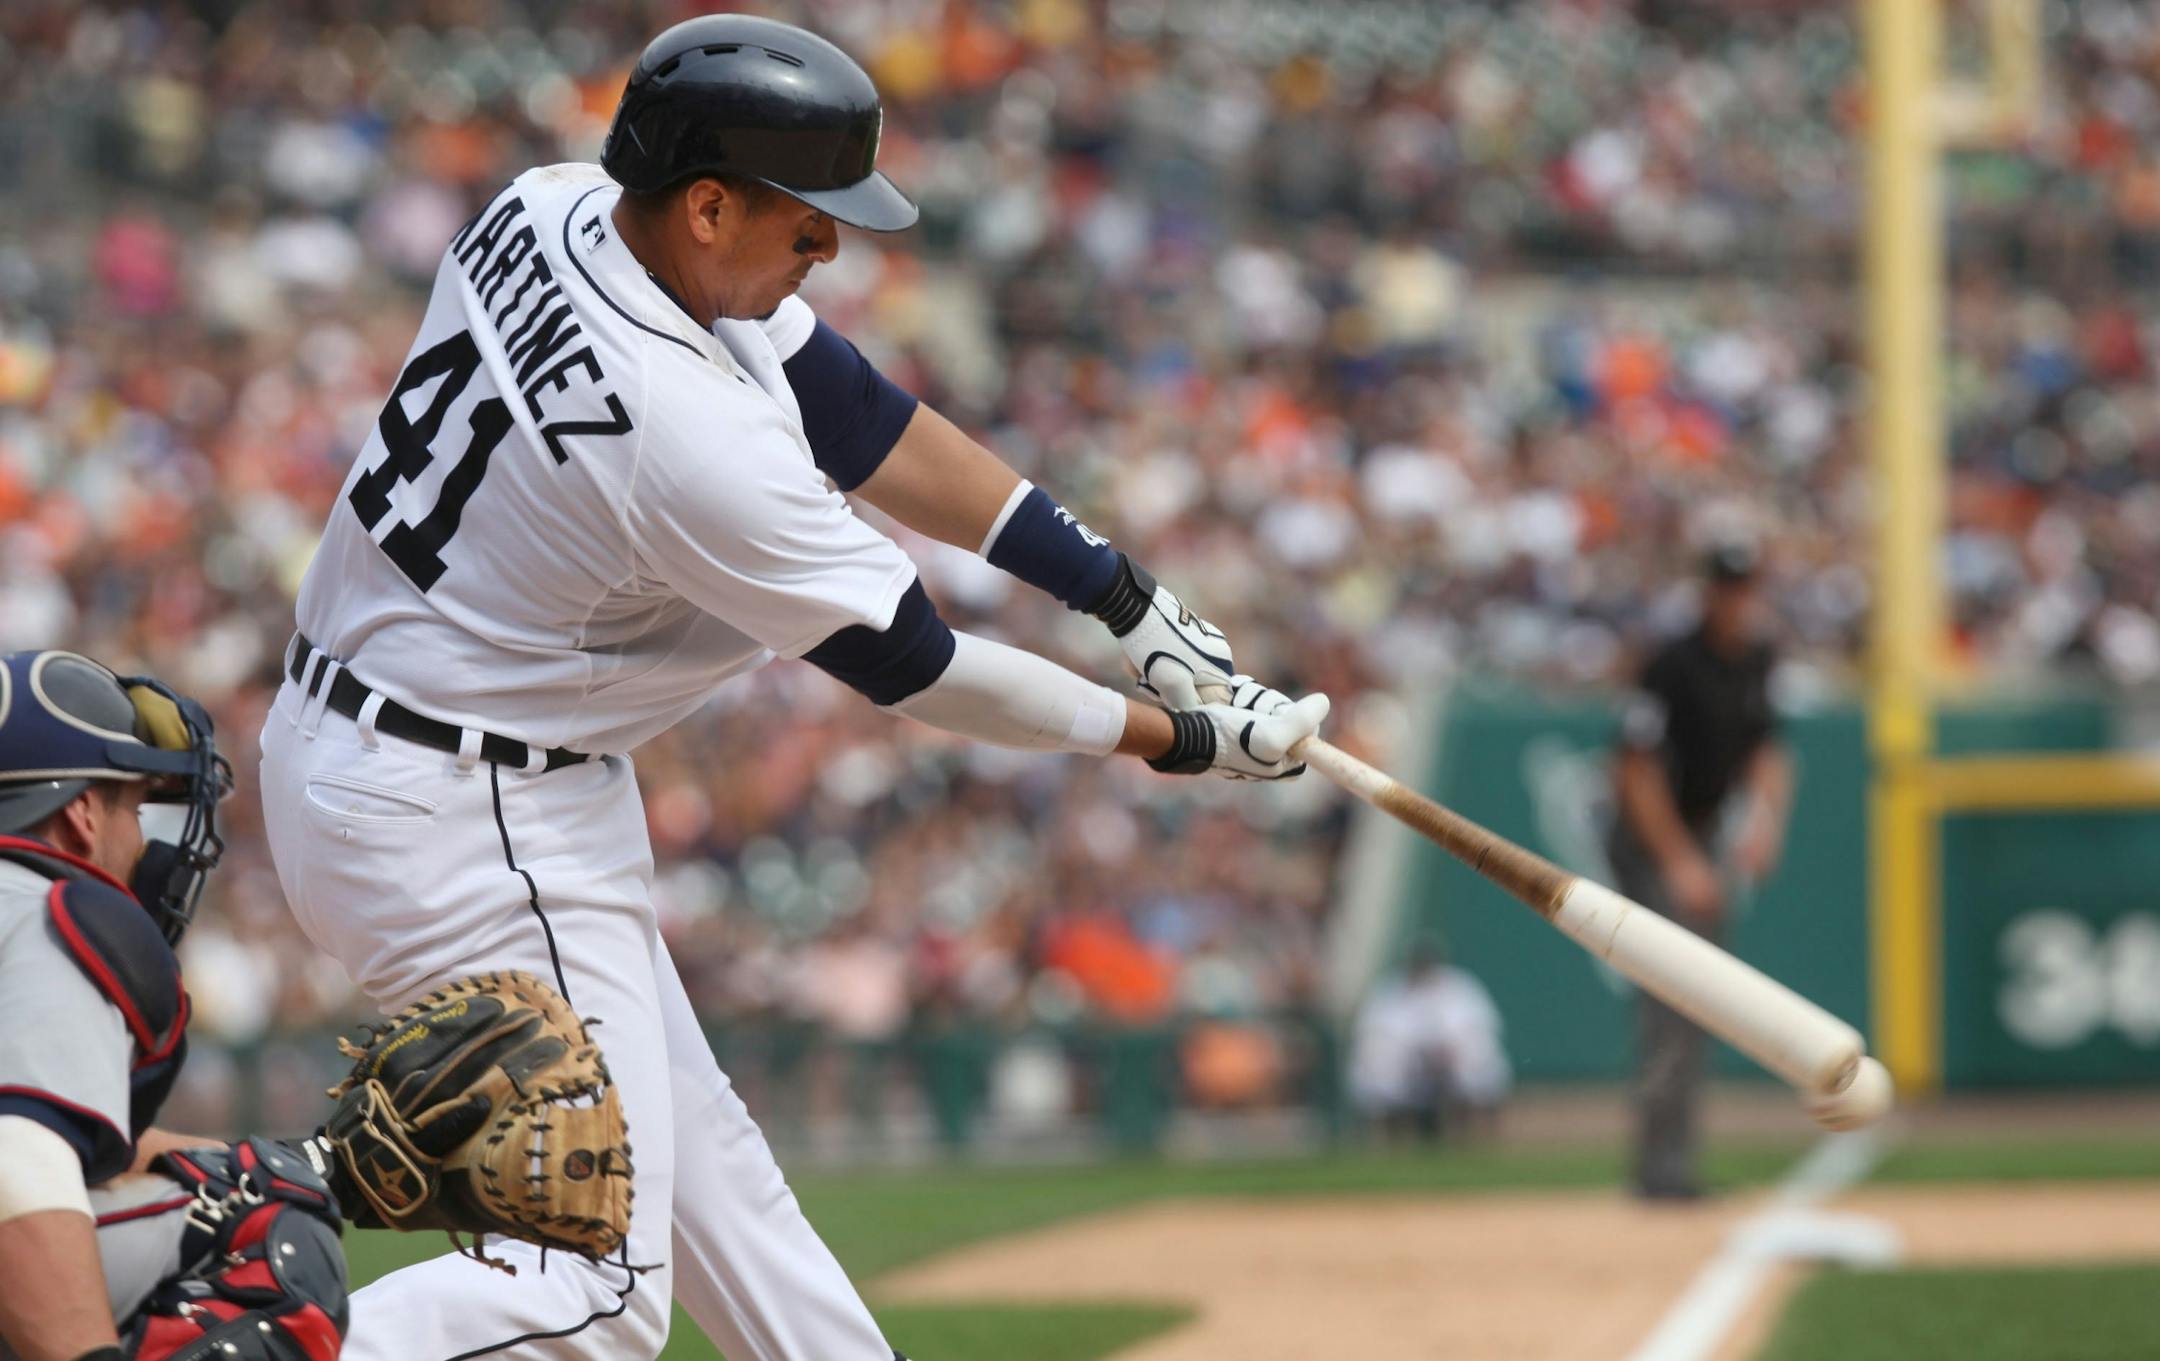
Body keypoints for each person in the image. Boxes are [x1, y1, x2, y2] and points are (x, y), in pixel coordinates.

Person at [255, 15, 1328, 1361]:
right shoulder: (680, 431)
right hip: (461, 807)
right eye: (807, 224)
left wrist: (1120, 594)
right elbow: (918, 665)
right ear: (707, 205)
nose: (829, 249)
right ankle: (216, 1339)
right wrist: (1171, 737)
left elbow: (859, 412)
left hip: (420, 747)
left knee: (723, 1192)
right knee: (585, 1292)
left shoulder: (559, 205)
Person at [0, 649, 349, 1361]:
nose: (142, 839)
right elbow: (16, 1159)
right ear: (82, 815)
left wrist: (318, 1160)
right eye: (135, 805)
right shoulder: (49, 909)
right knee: (265, 1230)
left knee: (234, 1181)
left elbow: (85, 1151)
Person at [1609, 543, 1794, 1200]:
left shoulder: (1757, 660)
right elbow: (1635, 772)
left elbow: (1768, 750)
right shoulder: (1671, 665)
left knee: (1701, 995)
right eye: (1730, 587)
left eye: (1749, 587)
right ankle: (1659, 1165)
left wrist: (1766, 822)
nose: (1741, 600)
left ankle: (1677, 1156)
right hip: (1652, 839)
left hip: (1706, 830)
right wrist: (1681, 861)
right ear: (1710, 592)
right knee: (1671, 993)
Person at [1347, 940, 1511, 1141]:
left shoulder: (1460, 986)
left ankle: (1474, 1138)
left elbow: (1479, 1029)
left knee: (1476, 1062)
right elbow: (1377, 1035)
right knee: (1382, 1069)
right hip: (1408, 1066)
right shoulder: (1390, 991)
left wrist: (1449, 1052)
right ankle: (1392, 1141)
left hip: (1452, 1062)